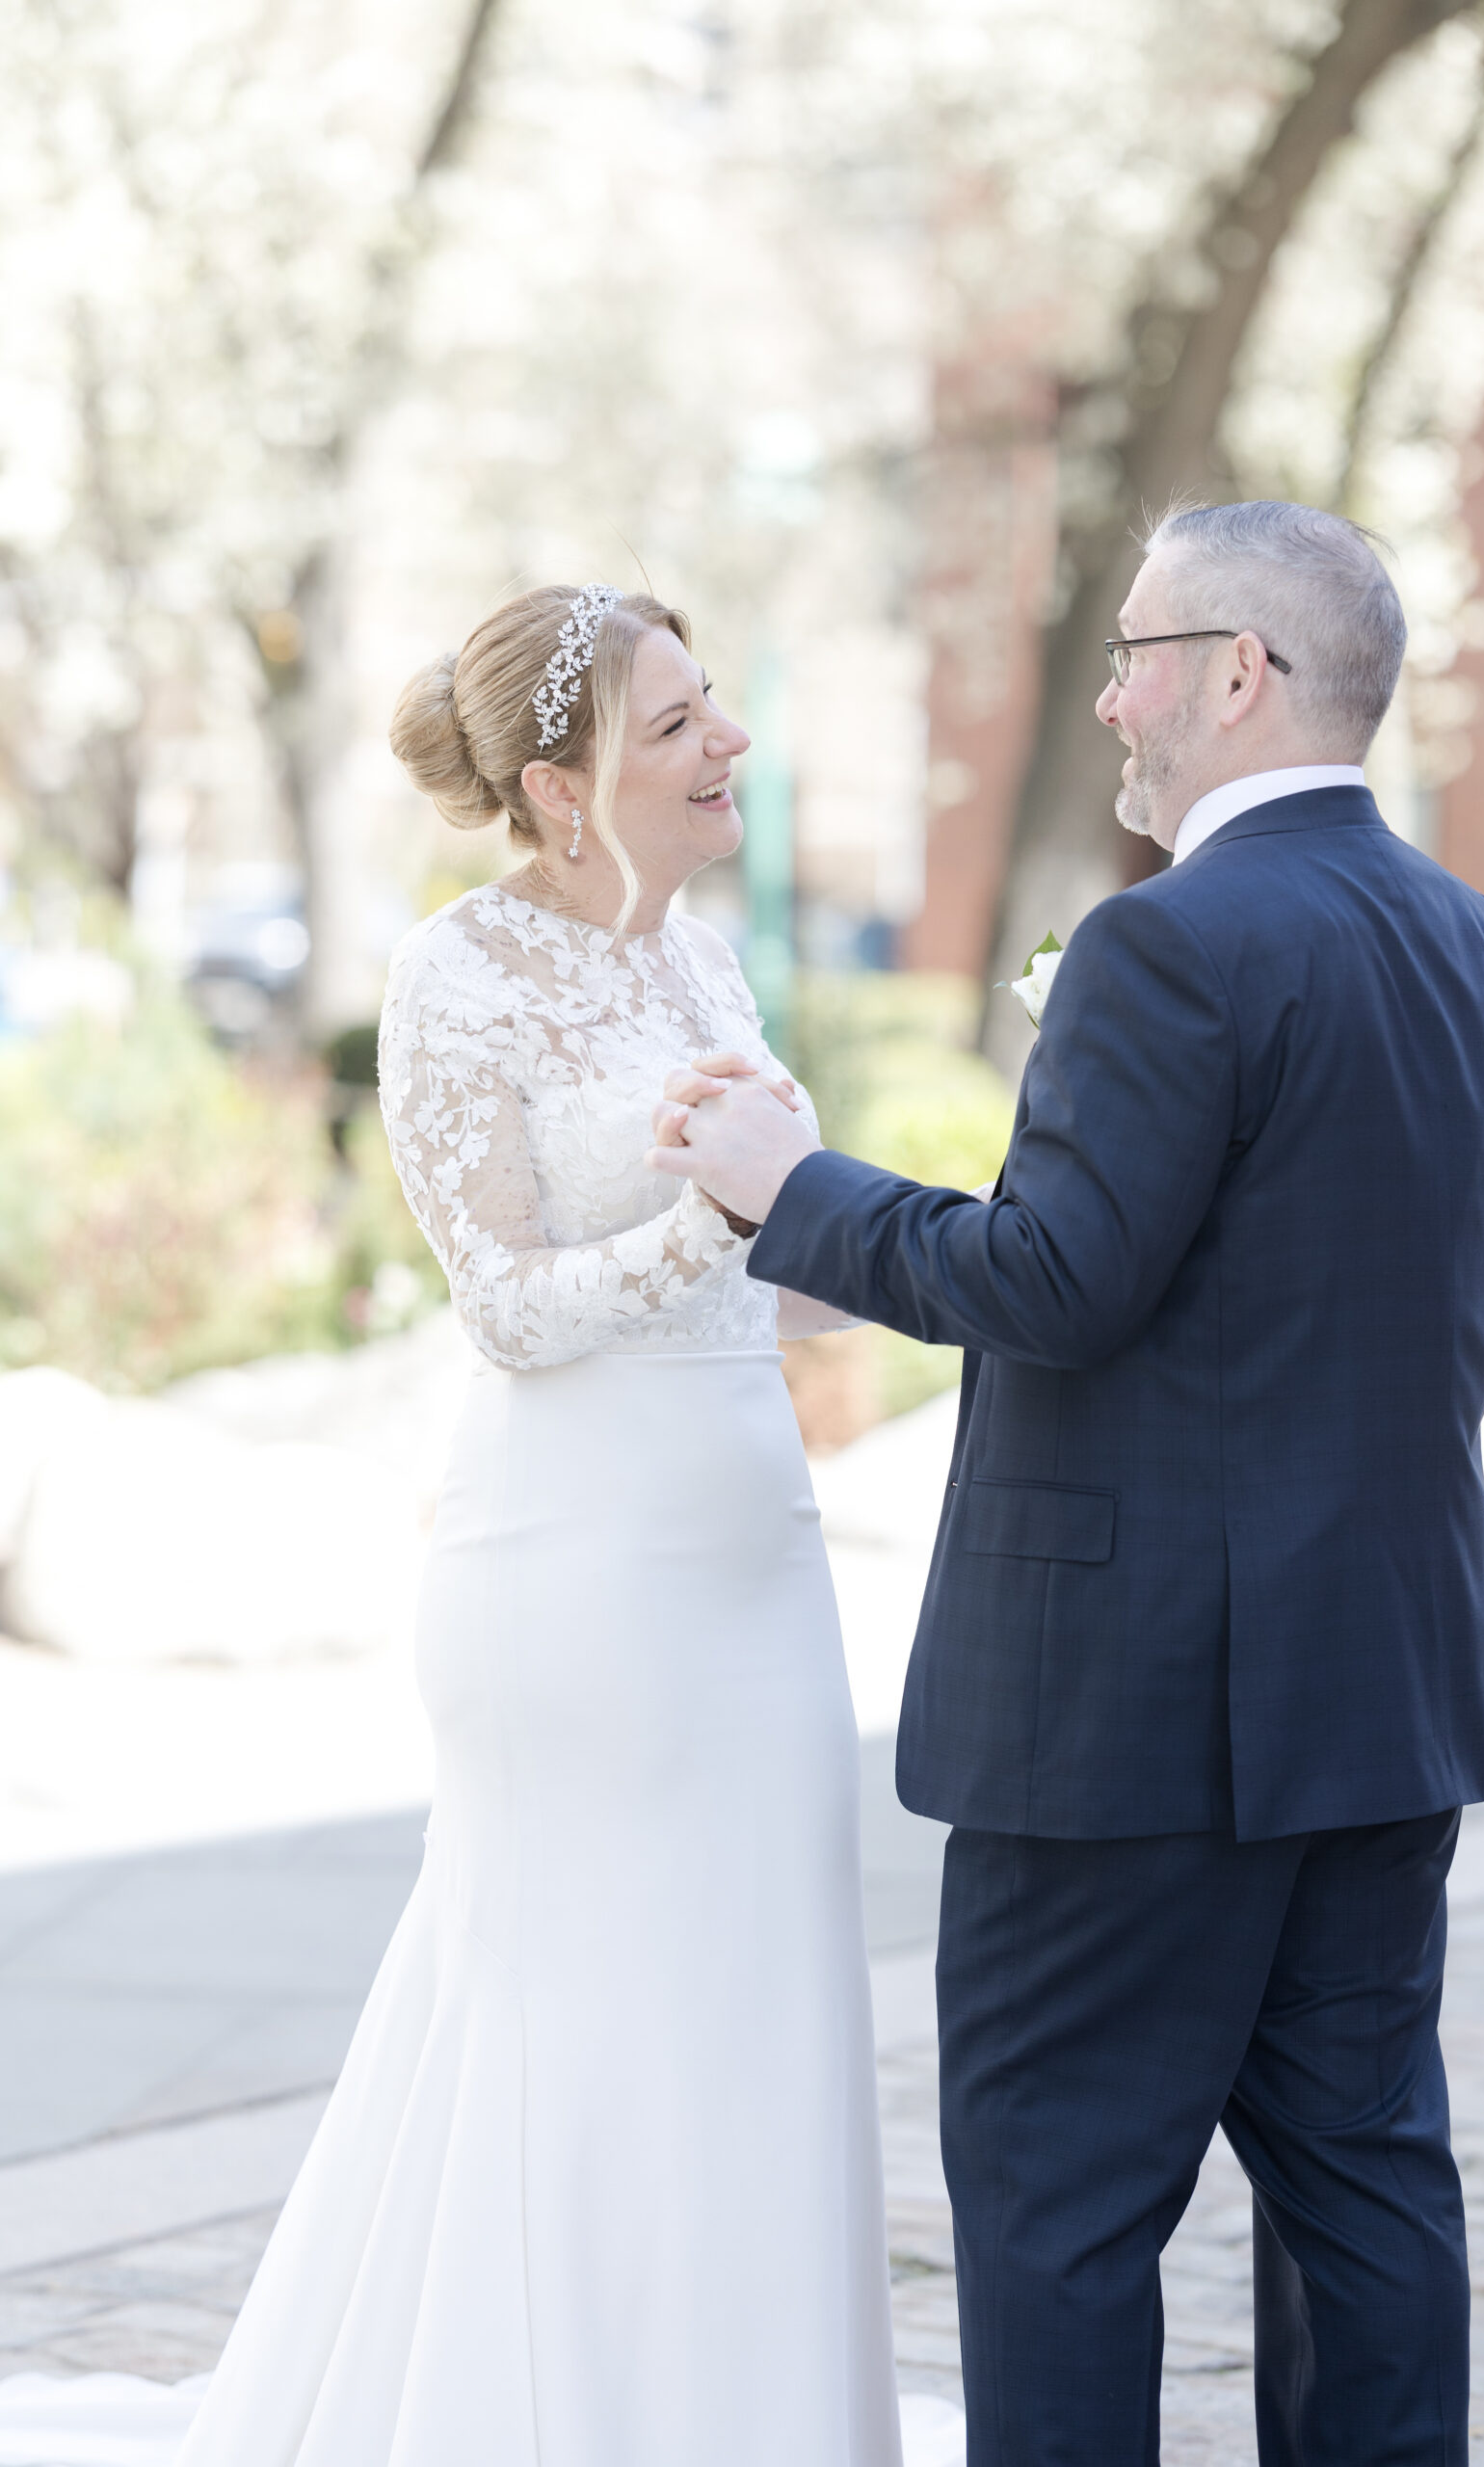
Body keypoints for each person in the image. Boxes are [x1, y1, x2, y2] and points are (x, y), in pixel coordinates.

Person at [648, 502, 1484, 2467]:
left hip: (1134, 1710)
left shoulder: (1170, 943)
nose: (1108, 696)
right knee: (1362, 2182)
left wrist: (787, 1192)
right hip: (1377, 1682)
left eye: (1133, 652)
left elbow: (1049, 1279)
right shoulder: (1468, 935)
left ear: (1234, 674)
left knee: (1058, 2203)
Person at [0, 585, 958, 2466]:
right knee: (585, 2013)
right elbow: (508, 1305)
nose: (728, 744)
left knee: (753, 1999)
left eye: (713, 709)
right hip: (574, 1577)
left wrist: (899, 1261)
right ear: (562, 781)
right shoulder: (458, 973)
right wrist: (718, 1214)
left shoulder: (705, 968)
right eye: (681, 720)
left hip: (752, 1564)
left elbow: (769, 1270)